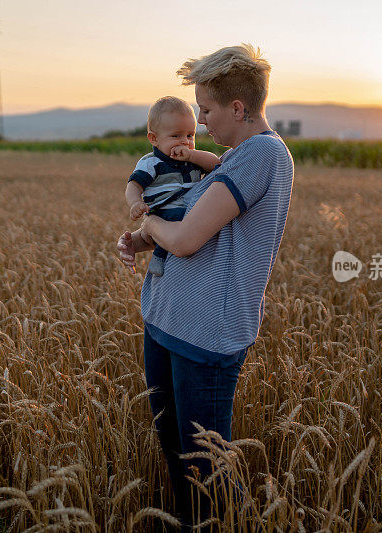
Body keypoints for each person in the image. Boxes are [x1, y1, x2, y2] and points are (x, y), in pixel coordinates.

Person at [117, 44, 294, 530]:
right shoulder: (233, 159)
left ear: (237, 108)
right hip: (168, 321)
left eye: (207, 109)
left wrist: (150, 227)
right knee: (179, 454)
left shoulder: (260, 155)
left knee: (207, 468)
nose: (201, 119)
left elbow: (188, 239)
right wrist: (141, 238)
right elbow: (187, 225)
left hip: (206, 333)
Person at [125, 96, 221, 276]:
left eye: (190, 135)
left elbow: (215, 164)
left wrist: (192, 156)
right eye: (176, 135)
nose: (185, 141)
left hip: (190, 211)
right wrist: (135, 203)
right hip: (163, 211)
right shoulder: (151, 163)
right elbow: (134, 185)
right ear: (154, 139)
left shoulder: (192, 158)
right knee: (177, 219)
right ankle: (159, 257)